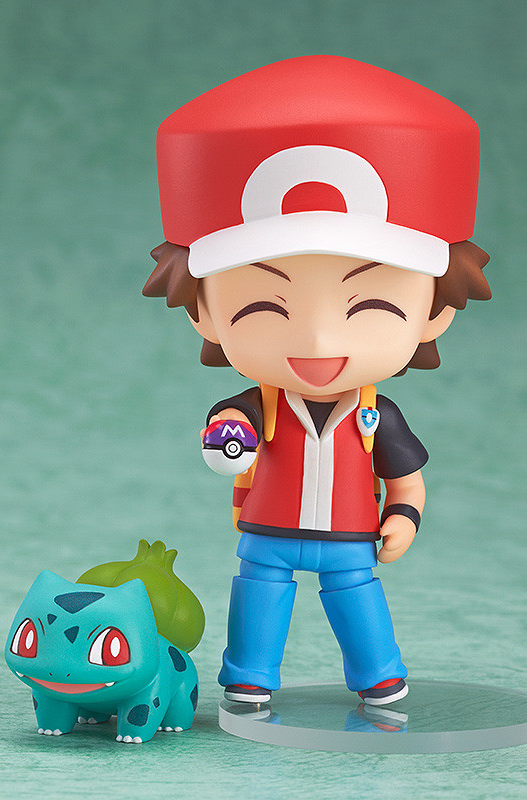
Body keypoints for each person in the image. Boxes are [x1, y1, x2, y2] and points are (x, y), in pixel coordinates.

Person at [143, 56, 491, 706]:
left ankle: (379, 674)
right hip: (267, 535)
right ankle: (248, 675)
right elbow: (227, 438)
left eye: (372, 305)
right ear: (202, 311)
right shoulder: (253, 405)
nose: (319, 343)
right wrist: (227, 442)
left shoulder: (378, 415)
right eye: (264, 306)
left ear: (436, 311)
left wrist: (404, 516)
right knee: (258, 596)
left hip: (351, 538)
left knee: (357, 599)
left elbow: (406, 478)